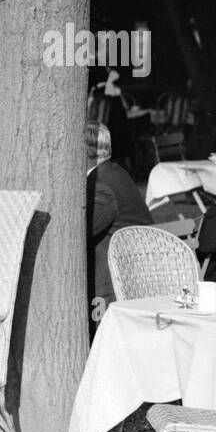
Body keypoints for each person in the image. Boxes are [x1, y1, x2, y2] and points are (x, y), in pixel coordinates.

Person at [86, 120, 153, 321]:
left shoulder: (100, 184)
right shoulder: (114, 171)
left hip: (117, 282)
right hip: (136, 265)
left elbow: (78, 234)